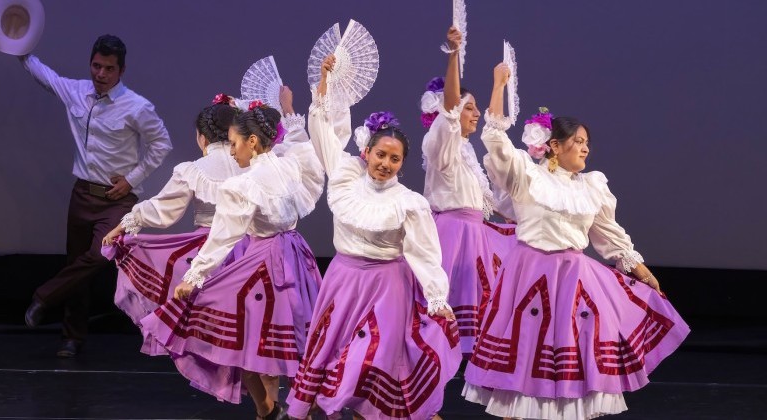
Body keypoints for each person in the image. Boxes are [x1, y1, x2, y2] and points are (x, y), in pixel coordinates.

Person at [461, 62, 690, 419]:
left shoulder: (592, 187)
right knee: (523, 367)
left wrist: (642, 271)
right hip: (530, 277)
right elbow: (495, 141)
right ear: (554, 145)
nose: (585, 149)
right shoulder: (527, 176)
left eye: (587, 143)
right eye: (578, 142)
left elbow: (610, 237)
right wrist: (498, 87)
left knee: (574, 363)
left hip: (573, 278)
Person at [287, 55, 461, 420]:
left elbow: (425, 254)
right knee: (338, 357)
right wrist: (326, 82)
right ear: (368, 153)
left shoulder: (409, 203)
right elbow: (322, 128)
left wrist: (436, 297)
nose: (385, 163)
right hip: (344, 281)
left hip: (387, 287)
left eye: (394, 159)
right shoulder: (346, 177)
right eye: (381, 154)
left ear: (402, 163)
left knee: (371, 362)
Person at [140, 94, 324, 420]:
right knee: (296, 337)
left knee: (246, 340)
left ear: (252, 142)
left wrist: (195, 276)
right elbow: (309, 163)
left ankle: (274, 410)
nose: (232, 150)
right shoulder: (289, 164)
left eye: (236, 143)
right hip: (298, 255)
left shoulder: (245, 184)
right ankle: (292, 410)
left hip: (265, 260)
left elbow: (224, 234)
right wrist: (294, 113)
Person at [21, 34, 173, 358]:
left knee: (98, 255)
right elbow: (45, 75)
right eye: (96, 65)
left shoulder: (137, 106)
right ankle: (72, 337)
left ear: (121, 70)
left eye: (108, 68)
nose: (100, 73)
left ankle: (43, 297)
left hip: (118, 199)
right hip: (83, 194)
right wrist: (20, 50)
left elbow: (162, 143)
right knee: (77, 263)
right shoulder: (76, 91)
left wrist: (132, 180)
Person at [100, 95, 248, 356]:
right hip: (252, 252)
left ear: (202, 137)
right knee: (250, 326)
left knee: (206, 329)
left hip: (208, 252)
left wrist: (124, 225)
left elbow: (163, 209)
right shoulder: (256, 165)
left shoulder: (195, 169)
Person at [421, 27, 518, 355]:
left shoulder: (466, 150)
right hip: (452, 234)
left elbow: (491, 201)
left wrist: (498, 87)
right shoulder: (441, 141)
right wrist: (453, 56)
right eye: (469, 107)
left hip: (475, 234)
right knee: (438, 320)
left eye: (475, 108)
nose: (475, 113)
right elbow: (449, 110)